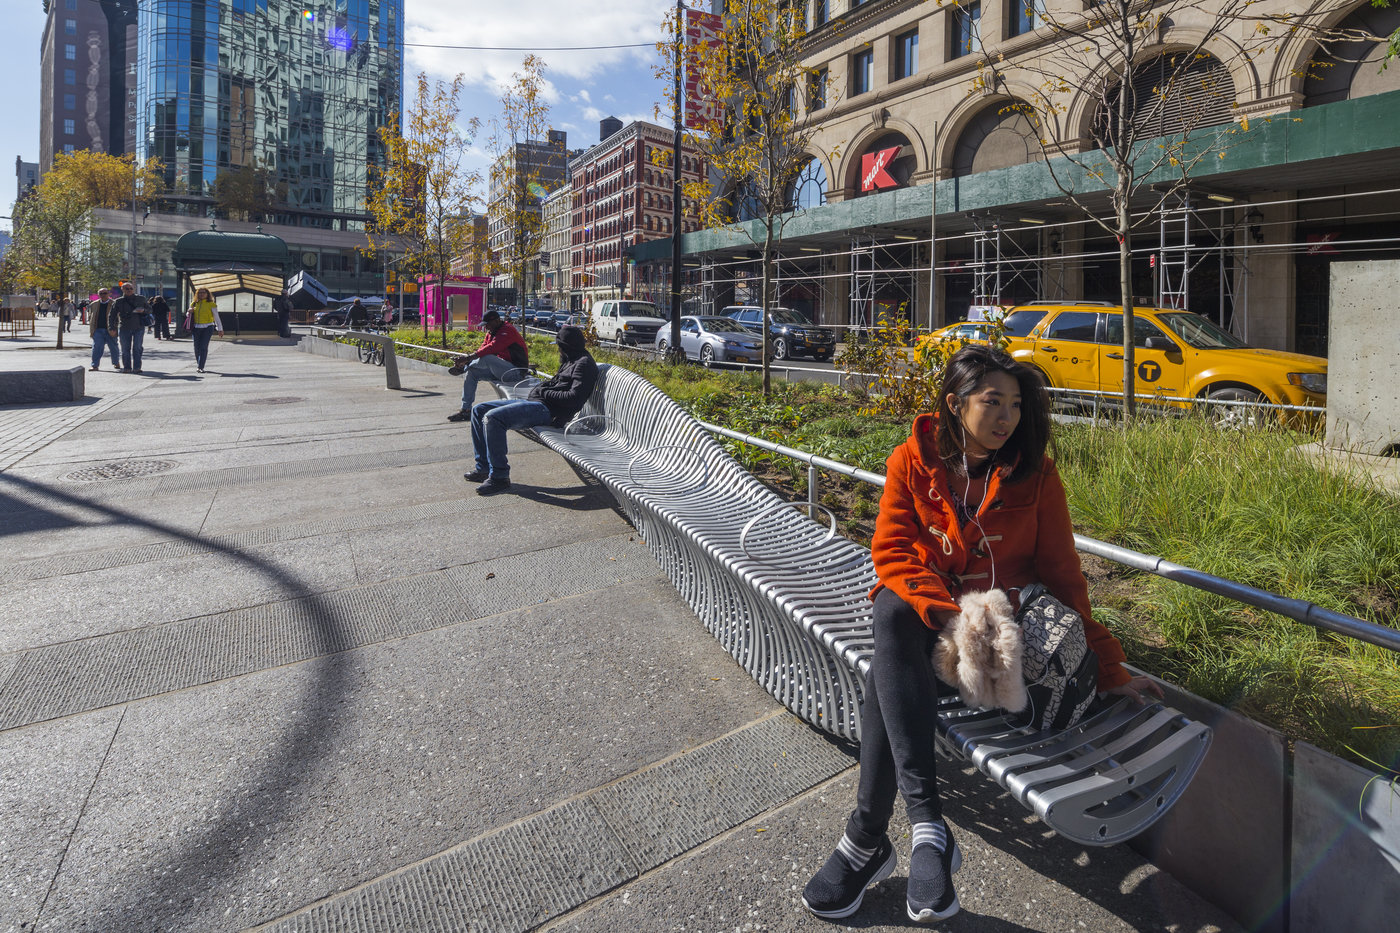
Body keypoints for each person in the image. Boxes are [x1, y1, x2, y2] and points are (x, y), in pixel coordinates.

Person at [801, 344, 1163, 924]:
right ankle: (925, 827)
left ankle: (869, 839)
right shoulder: (910, 462)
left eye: (1016, 405)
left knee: (885, 678)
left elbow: (1065, 574)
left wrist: (1111, 668)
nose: (1007, 418)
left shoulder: (1034, 473)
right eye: (992, 402)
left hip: (1001, 647)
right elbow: (891, 552)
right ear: (954, 403)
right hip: (935, 631)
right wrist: (952, 616)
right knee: (895, 610)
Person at [465, 324, 597, 495]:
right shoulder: (571, 359)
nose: (558, 351)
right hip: (537, 404)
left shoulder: (583, 364)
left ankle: (499, 476)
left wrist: (544, 391)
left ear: (566, 346)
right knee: (479, 410)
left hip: (548, 412)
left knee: (493, 418)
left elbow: (574, 399)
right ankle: (483, 467)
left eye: (559, 347)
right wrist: (544, 390)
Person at [446, 309, 530, 422]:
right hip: (502, 371)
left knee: (487, 358)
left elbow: (492, 348)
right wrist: (469, 358)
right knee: (472, 373)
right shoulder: (491, 332)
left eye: (487, 324)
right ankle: (465, 410)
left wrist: (467, 359)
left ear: (496, 321)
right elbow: (482, 348)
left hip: (516, 372)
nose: (486, 327)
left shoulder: (507, 330)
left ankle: (464, 367)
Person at [113, 282, 149, 372]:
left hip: (138, 327)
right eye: (127, 289)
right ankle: (127, 367)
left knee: (137, 347)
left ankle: (137, 367)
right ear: (122, 290)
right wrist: (111, 327)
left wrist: (144, 310)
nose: (129, 290)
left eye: (131, 288)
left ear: (133, 289)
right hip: (124, 327)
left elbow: (150, 309)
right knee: (125, 349)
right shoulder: (118, 301)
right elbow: (112, 315)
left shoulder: (141, 298)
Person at [187, 286, 224, 373]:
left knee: (203, 347)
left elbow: (217, 318)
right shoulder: (194, 303)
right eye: (200, 293)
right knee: (196, 347)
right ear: (197, 294)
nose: (202, 294)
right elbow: (188, 315)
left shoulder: (212, 304)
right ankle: (199, 364)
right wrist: (189, 311)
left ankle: (200, 366)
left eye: (204, 292)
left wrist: (220, 329)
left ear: (207, 294)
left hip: (208, 327)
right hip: (196, 327)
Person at [87, 287, 119, 371]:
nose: (103, 295)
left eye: (105, 293)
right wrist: (92, 329)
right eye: (101, 293)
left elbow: (118, 317)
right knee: (97, 347)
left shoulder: (114, 303)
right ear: (98, 295)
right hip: (98, 329)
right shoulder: (94, 304)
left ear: (109, 294)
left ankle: (116, 362)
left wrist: (115, 328)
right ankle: (94, 365)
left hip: (110, 329)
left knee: (113, 347)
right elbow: (91, 316)